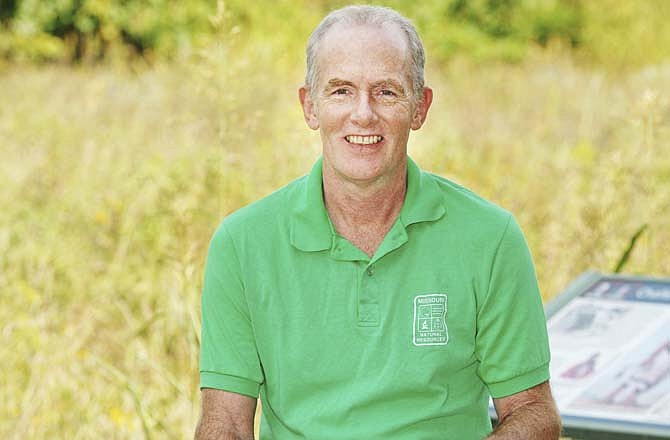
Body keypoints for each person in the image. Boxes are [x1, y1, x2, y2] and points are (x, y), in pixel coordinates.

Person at [195, 5, 561, 440]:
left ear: (420, 108)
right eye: (341, 91)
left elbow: (534, 413)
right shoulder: (242, 243)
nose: (363, 114)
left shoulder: (491, 238)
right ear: (309, 106)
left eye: (386, 92)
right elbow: (226, 424)